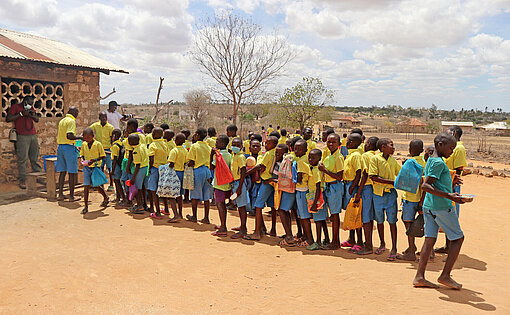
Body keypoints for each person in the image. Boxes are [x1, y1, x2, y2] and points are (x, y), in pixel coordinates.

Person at [413, 132, 465, 290]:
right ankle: (445, 275)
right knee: (457, 239)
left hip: (430, 206)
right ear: (440, 145)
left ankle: (419, 277)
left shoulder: (432, 160)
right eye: (450, 148)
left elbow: (435, 181)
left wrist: (449, 182)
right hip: (442, 206)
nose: (452, 151)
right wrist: (449, 195)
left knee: (429, 240)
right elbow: (426, 185)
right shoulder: (439, 163)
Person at [435, 125, 467, 254]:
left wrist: (452, 185)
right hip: (445, 183)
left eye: (447, 132)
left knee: (450, 213)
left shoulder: (458, 148)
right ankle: (447, 245)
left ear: (454, 133)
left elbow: (459, 169)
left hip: (450, 184)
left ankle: (450, 246)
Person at [369, 138, 401, 261]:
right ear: (383, 147)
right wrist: (392, 182)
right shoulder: (375, 159)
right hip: (378, 194)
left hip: (391, 194)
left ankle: (394, 248)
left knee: (392, 221)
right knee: (380, 221)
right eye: (391, 145)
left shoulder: (393, 161)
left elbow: (400, 173)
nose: (393, 148)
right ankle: (382, 243)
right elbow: (373, 176)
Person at [245, 136, 279, 240]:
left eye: (268, 143)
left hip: (265, 182)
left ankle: (256, 233)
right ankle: (272, 229)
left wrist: (247, 173)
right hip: (273, 182)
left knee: (258, 206)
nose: (266, 145)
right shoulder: (276, 153)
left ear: (273, 144)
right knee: (272, 206)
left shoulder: (268, 153)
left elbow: (261, 166)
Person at [398, 139, 426, 261]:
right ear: (422, 150)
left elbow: (401, 181)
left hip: (409, 198)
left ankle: (411, 250)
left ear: (409, 150)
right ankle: (413, 248)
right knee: (417, 222)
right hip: (421, 198)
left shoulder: (409, 163)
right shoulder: (425, 164)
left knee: (408, 222)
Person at [6, 96, 42, 189]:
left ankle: (39, 176)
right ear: (25, 102)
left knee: (35, 157)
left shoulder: (31, 108)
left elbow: (37, 119)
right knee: (22, 159)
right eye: (29, 103)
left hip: (33, 135)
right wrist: (21, 114)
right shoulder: (16, 107)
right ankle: (22, 179)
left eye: (32, 104)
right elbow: (8, 118)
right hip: (22, 136)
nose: (30, 105)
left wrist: (31, 115)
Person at [353, 136, 379, 255]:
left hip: (366, 188)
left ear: (367, 144)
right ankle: (368, 243)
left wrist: (359, 192)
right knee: (369, 217)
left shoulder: (365, 156)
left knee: (366, 218)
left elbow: (365, 174)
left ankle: (368, 246)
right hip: (374, 189)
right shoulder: (377, 157)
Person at [318, 133, 344, 250]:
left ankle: (335, 241)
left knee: (334, 215)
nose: (331, 144)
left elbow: (339, 177)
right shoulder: (329, 154)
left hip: (335, 187)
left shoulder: (339, 157)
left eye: (333, 142)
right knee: (329, 214)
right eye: (329, 142)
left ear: (339, 144)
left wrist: (325, 170)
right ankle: (331, 239)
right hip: (328, 186)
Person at [186, 128, 213, 223]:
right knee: (206, 195)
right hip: (207, 171)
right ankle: (206, 217)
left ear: (197, 135)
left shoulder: (194, 146)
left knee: (194, 194)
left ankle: (194, 216)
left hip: (198, 171)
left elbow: (191, 161)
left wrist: (187, 165)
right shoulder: (208, 147)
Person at [80, 128, 109, 214]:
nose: (87, 139)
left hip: (96, 167)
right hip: (86, 167)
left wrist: (94, 160)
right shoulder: (84, 144)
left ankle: (105, 197)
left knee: (95, 185)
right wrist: (82, 160)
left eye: (88, 137)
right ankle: (85, 206)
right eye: (85, 138)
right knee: (86, 186)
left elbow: (103, 155)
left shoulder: (98, 144)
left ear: (93, 136)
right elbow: (82, 154)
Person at [342, 133, 363, 252]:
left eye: (349, 141)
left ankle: (359, 241)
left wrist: (353, 186)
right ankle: (351, 238)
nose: (347, 142)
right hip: (347, 184)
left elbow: (358, 172)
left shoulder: (355, 155)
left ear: (354, 143)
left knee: (355, 213)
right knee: (350, 212)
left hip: (352, 185)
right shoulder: (349, 154)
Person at [56, 107, 82, 202]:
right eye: (77, 112)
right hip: (69, 148)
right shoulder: (71, 121)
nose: (77, 114)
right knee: (72, 173)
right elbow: (69, 136)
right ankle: (71, 196)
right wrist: (81, 137)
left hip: (61, 148)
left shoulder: (62, 121)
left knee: (62, 172)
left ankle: (60, 194)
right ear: (74, 112)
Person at [306, 149, 330, 250]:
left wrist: (315, 203)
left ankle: (318, 242)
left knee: (318, 220)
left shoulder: (316, 170)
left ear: (319, 159)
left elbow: (317, 187)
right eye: (309, 157)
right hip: (318, 195)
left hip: (317, 196)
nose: (310, 159)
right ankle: (327, 239)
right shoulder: (314, 168)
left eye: (313, 158)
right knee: (322, 219)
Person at [294, 139, 315, 248]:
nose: (296, 151)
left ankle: (310, 239)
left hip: (302, 190)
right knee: (302, 216)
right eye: (295, 149)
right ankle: (306, 236)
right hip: (302, 189)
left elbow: (299, 178)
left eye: (299, 149)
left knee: (304, 217)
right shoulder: (304, 158)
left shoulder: (302, 161)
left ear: (305, 150)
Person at [210, 135, 232, 236]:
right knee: (223, 205)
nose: (215, 143)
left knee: (220, 205)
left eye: (217, 142)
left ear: (222, 144)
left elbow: (211, 166)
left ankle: (223, 227)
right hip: (227, 182)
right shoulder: (229, 154)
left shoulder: (219, 155)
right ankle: (223, 225)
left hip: (219, 183)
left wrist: (211, 155)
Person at [230, 138, 249, 239]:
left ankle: (243, 230)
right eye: (233, 144)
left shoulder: (241, 157)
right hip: (235, 183)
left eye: (237, 145)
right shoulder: (234, 155)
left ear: (241, 146)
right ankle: (242, 226)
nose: (235, 147)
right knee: (239, 206)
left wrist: (240, 187)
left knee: (242, 207)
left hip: (239, 183)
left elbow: (243, 172)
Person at [147, 128, 169, 219]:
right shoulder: (164, 144)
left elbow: (151, 159)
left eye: (153, 133)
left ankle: (158, 212)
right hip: (164, 168)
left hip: (155, 168)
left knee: (154, 190)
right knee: (163, 189)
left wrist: (150, 168)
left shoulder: (152, 145)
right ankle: (166, 209)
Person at [90, 112, 114, 191]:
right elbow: (89, 130)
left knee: (110, 168)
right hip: (99, 151)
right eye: (102, 117)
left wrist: (112, 149)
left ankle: (111, 185)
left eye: (105, 117)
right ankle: (101, 184)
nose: (104, 118)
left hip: (108, 150)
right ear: (99, 118)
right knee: (100, 168)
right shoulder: (95, 126)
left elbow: (112, 139)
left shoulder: (110, 127)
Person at [167, 133, 187, 223]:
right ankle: (180, 213)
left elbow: (171, 163)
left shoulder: (174, 150)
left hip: (174, 173)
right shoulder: (185, 150)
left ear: (176, 141)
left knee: (171, 195)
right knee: (179, 195)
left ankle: (175, 215)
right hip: (182, 173)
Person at [127, 134, 149, 214]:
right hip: (145, 167)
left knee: (137, 188)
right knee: (142, 187)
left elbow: (137, 165)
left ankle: (140, 206)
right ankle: (144, 204)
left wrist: (133, 178)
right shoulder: (143, 146)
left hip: (140, 169)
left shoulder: (135, 151)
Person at [110, 129, 125, 204]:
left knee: (117, 181)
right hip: (119, 164)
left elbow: (115, 158)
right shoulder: (120, 143)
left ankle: (122, 197)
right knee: (118, 181)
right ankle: (118, 197)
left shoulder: (115, 145)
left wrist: (112, 170)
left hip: (115, 165)